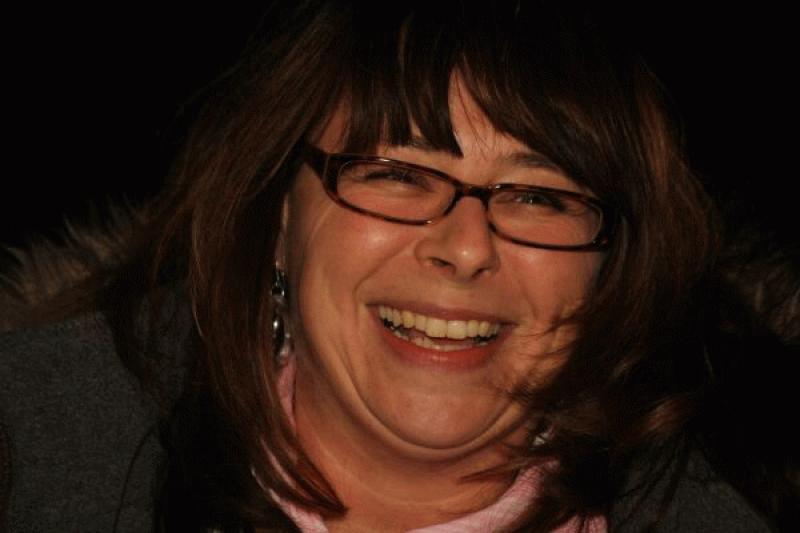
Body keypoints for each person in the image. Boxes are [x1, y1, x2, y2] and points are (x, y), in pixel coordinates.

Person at [1, 1, 795, 531]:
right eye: (396, 174)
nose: (466, 245)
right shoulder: (30, 452)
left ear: (610, 267)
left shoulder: (741, 502)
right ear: (278, 218)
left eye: (538, 195)